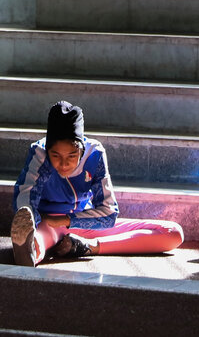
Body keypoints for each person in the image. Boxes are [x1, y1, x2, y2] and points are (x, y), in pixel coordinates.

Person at [10, 101, 184, 266]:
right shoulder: (39, 153)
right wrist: (39, 223)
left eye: (71, 156)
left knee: (172, 233)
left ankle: (87, 246)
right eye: (55, 156)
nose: (63, 164)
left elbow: (108, 213)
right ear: (48, 150)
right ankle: (31, 248)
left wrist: (68, 220)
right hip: (49, 225)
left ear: (82, 148)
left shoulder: (95, 154)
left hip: (84, 223)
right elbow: (24, 201)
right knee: (33, 246)